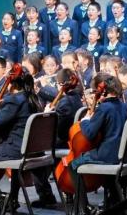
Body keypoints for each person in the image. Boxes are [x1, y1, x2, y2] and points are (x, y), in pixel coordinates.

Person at [0, 71, 43, 213]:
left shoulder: (15, 100)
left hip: (18, 149)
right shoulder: (33, 97)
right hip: (34, 150)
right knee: (10, 159)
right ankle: (13, 199)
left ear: (12, 84)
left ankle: (1, 201)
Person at [68, 73, 127, 213]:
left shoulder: (104, 108)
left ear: (104, 91)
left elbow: (90, 134)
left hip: (108, 155)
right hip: (123, 153)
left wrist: (85, 121)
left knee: (73, 165)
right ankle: (114, 200)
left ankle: (84, 208)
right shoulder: (124, 106)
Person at [32, 68, 83, 209]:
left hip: (62, 142)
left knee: (34, 155)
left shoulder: (65, 102)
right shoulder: (76, 97)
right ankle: (63, 192)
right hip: (70, 141)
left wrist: (47, 114)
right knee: (45, 160)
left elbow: (57, 129)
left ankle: (46, 196)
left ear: (61, 84)